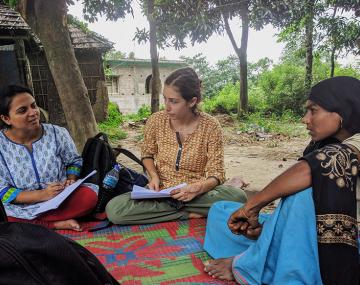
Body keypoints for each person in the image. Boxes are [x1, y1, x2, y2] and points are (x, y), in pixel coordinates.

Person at [203, 76, 360, 285]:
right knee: (219, 210)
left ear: (341, 111)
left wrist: (251, 206)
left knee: (300, 195)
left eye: (313, 110)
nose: (305, 119)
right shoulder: (326, 143)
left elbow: (309, 171)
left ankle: (253, 263)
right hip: (306, 230)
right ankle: (270, 247)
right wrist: (267, 228)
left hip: (344, 240)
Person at [106, 67, 247, 224]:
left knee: (238, 197)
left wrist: (198, 188)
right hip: (161, 191)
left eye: (173, 101)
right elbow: (147, 154)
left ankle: (175, 210)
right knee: (115, 209)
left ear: (192, 101)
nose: (166, 107)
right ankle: (189, 213)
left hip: (196, 194)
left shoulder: (211, 126)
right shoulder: (156, 120)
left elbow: (217, 173)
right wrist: (153, 176)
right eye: (165, 98)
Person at [0, 85, 98, 231]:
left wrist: (71, 180)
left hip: (60, 199)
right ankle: (54, 224)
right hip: (19, 205)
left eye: (34, 106)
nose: (33, 113)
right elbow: (2, 190)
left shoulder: (57, 133)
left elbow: (73, 161)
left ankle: (30, 225)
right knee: (3, 214)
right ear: (6, 118)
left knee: (89, 197)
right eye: (23, 110)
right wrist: (41, 195)